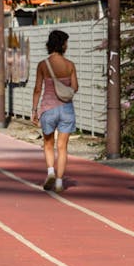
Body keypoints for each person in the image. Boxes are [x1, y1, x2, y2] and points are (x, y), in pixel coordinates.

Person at [30, 29, 78, 192]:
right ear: (63, 45)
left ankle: (50, 171)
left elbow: (37, 89)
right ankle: (59, 183)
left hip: (48, 109)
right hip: (66, 109)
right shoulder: (70, 65)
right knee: (62, 147)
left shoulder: (43, 65)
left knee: (48, 144)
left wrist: (34, 110)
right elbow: (75, 87)